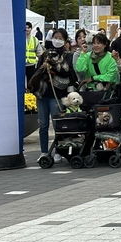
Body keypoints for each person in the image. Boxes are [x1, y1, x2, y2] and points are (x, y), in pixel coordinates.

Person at [33, 28, 77, 163]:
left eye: (60, 38)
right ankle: (44, 151)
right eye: (55, 37)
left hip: (57, 94)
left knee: (58, 124)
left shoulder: (67, 55)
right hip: (43, 93)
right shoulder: (45, 54)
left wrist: (53, 65)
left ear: (65, 41)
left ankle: (58, 150)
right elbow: (37, 71)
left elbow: (66, 71)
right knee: (43, 125)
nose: (57, 40)